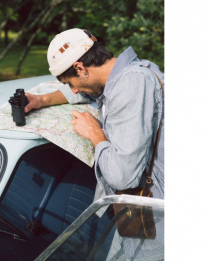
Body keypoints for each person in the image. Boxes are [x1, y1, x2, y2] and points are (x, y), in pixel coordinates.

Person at [24, 28, 164, 260]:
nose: (75, 90)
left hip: (158, 223)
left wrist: (96, 134)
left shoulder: (130, 86)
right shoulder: (134, 72)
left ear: (80, 67)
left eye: (71, 82)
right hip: (146, 216)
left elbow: (122, 176)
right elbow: (93, 92)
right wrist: (43, 100)